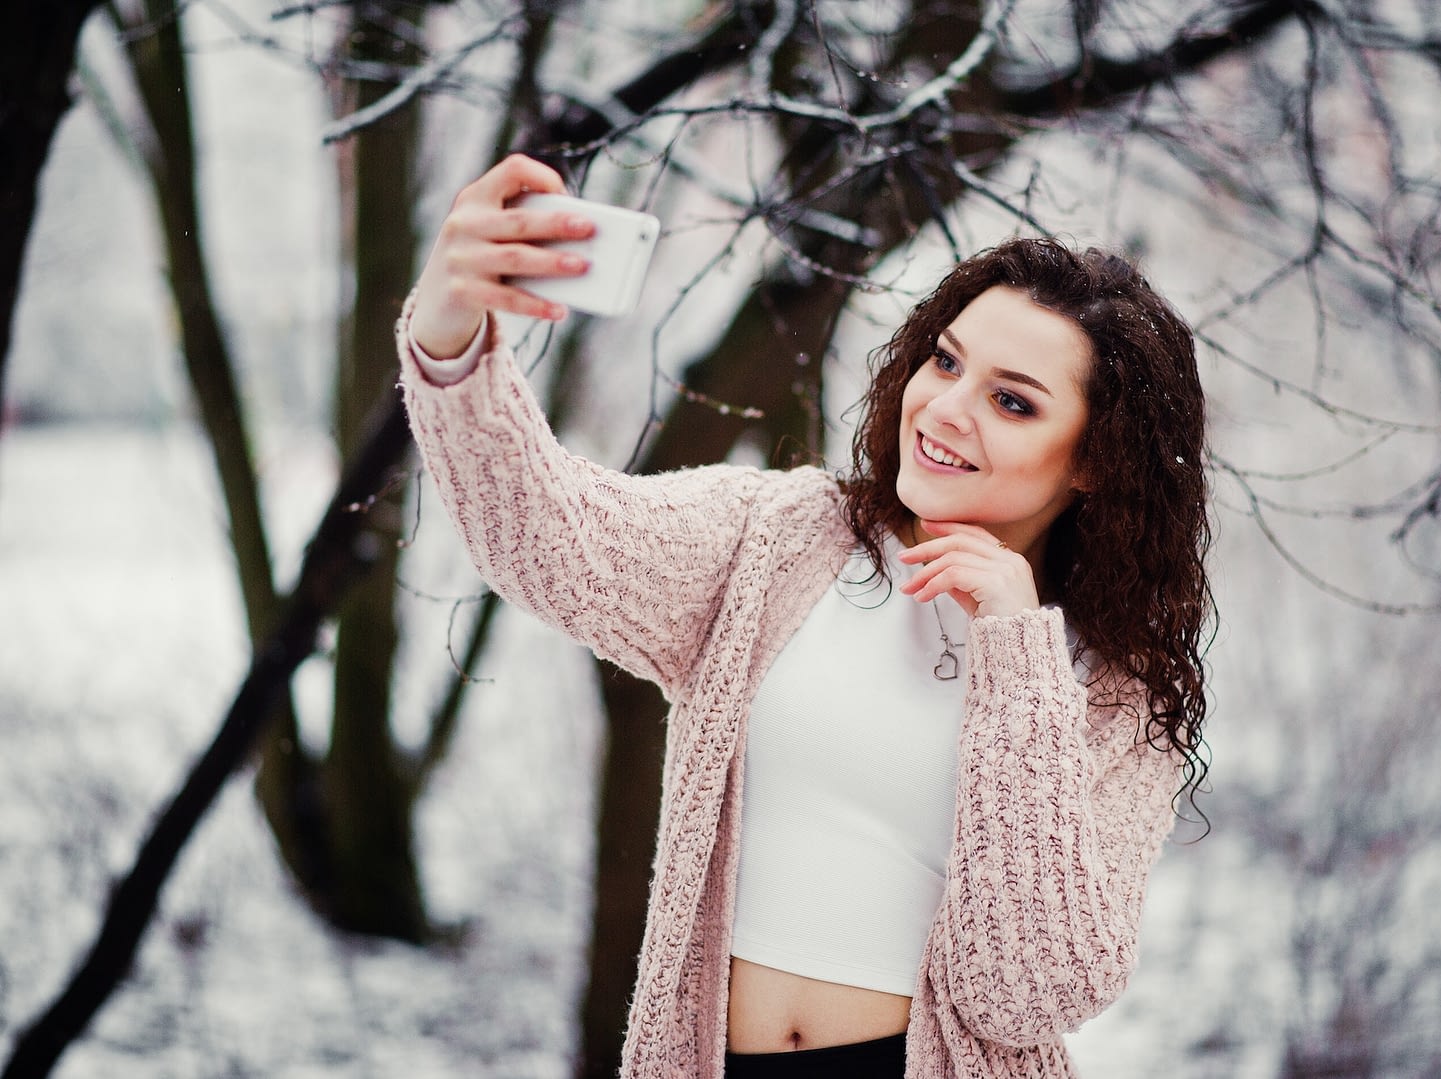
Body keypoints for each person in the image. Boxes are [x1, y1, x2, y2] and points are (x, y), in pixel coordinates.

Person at [397, 154, 1212, 1079]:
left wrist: (1015, 648)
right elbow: (550, 542)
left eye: (1012, 400)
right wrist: (450, 333)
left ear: (1094, 461)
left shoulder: (1109, 688)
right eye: (945, 360)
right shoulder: (779, 540)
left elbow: (1022, 991)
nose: (944, 408)